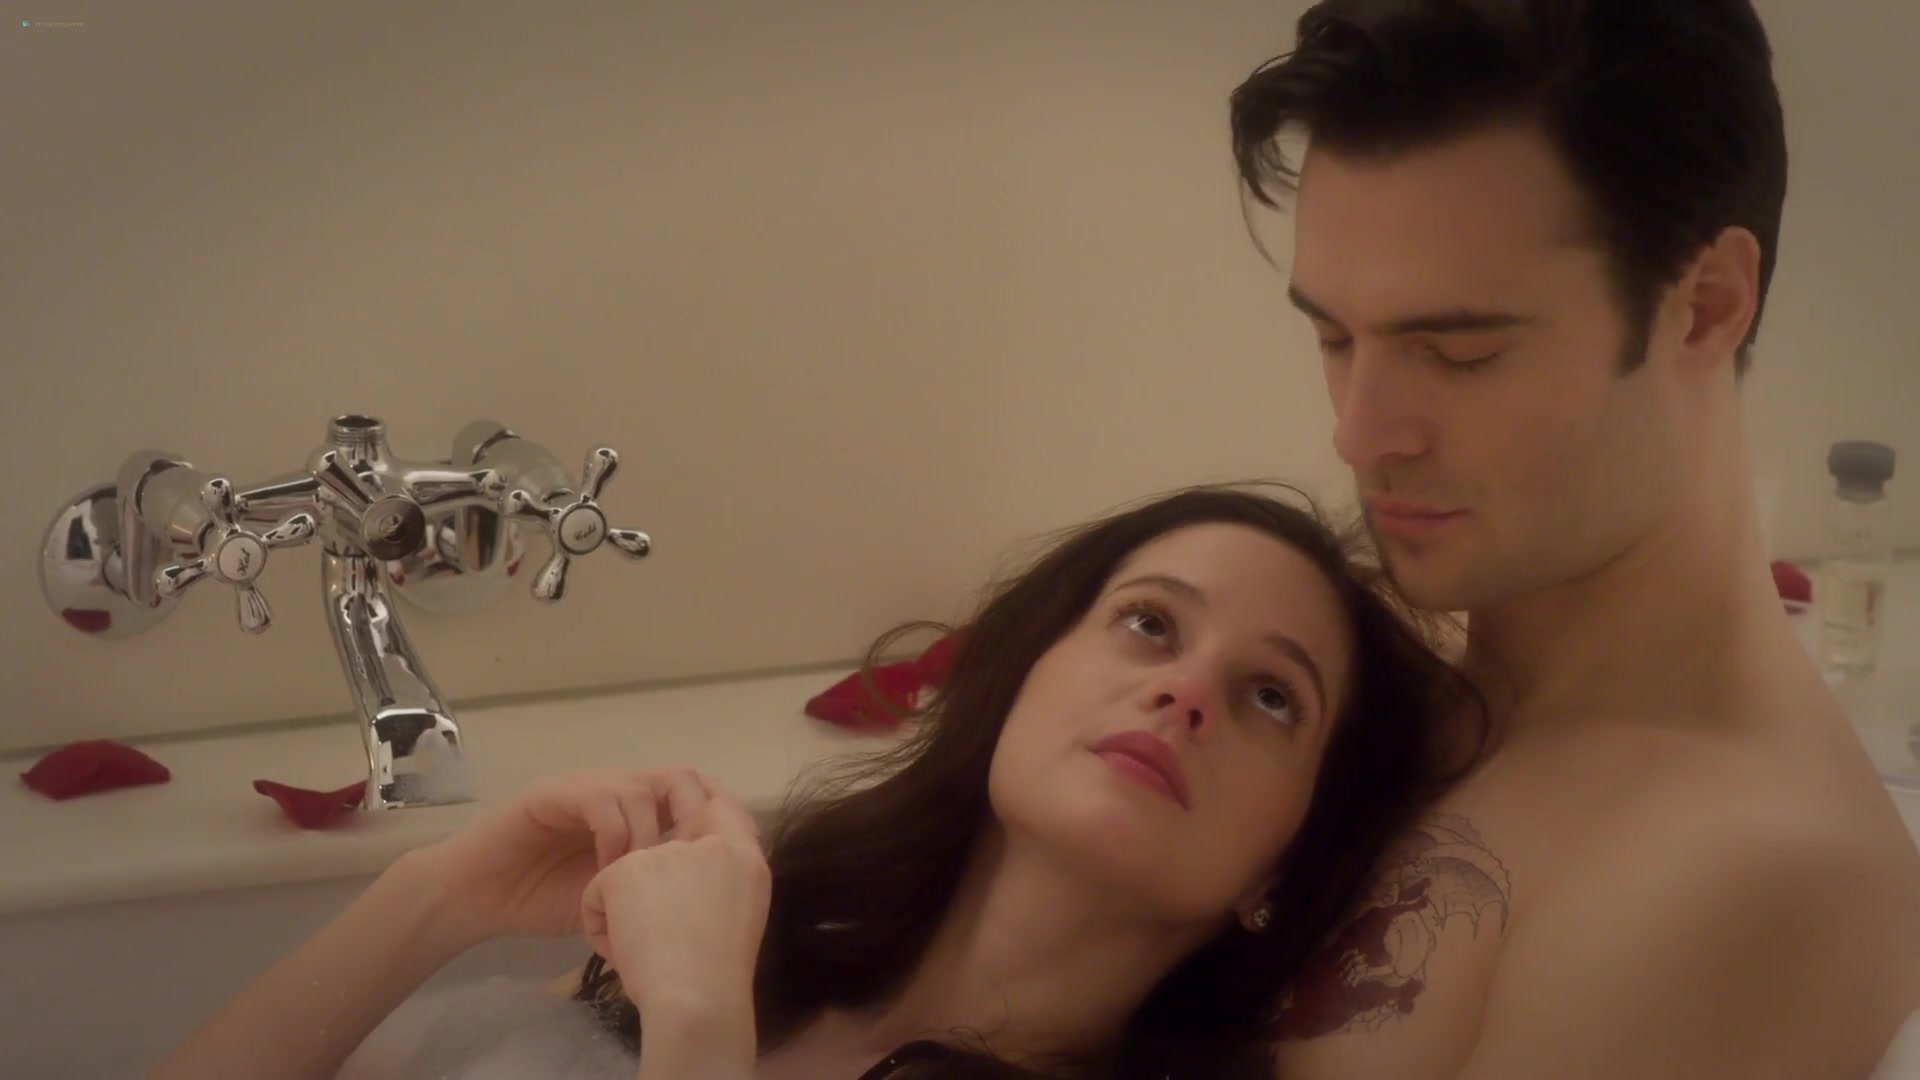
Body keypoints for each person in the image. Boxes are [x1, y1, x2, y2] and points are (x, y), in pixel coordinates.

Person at [151, 485, 1483, 1079]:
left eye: (1271, 697)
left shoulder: (707, 989)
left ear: (1285, 860)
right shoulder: (761, 959)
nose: (1186, 690)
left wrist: (698, 1025)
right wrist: (436, 900)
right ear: (1024, 674)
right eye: (1149, 622)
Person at [1226, 2, 1920, 1078]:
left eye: (1458, 354)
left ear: (1707, 307)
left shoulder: (1741, 882)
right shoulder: (1402, 688)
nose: (1358, 434)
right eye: (1333, 336)